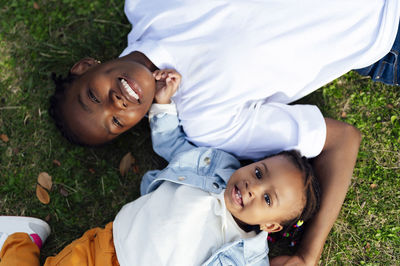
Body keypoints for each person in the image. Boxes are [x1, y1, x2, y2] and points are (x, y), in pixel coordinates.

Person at [48, 0, 390, 264]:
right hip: (382, 22)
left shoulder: (144, 6)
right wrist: (307, 255)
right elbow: (343, 141)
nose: (116, 103)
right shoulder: (211, 125)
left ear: (85, 67)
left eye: (93, 96)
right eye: (116, 123)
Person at [0, 71, 321, 265]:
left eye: (268, 199)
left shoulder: (248, 259)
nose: (253, 186)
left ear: (272, 227)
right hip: (104, 249)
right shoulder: (215, 167)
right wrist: (163, 106)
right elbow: (175, 148)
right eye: (260, 172)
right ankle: (20, 240)